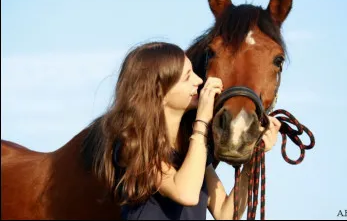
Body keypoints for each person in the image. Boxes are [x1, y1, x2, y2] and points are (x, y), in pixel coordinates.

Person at [98, 42, 281, 220]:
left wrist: (253, 158)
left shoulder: (192, 146)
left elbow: (226, 214)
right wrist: (202, 119)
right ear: (159, 91)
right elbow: (186, 193)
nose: (199, 80)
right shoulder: (133, 145)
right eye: (187, 77)